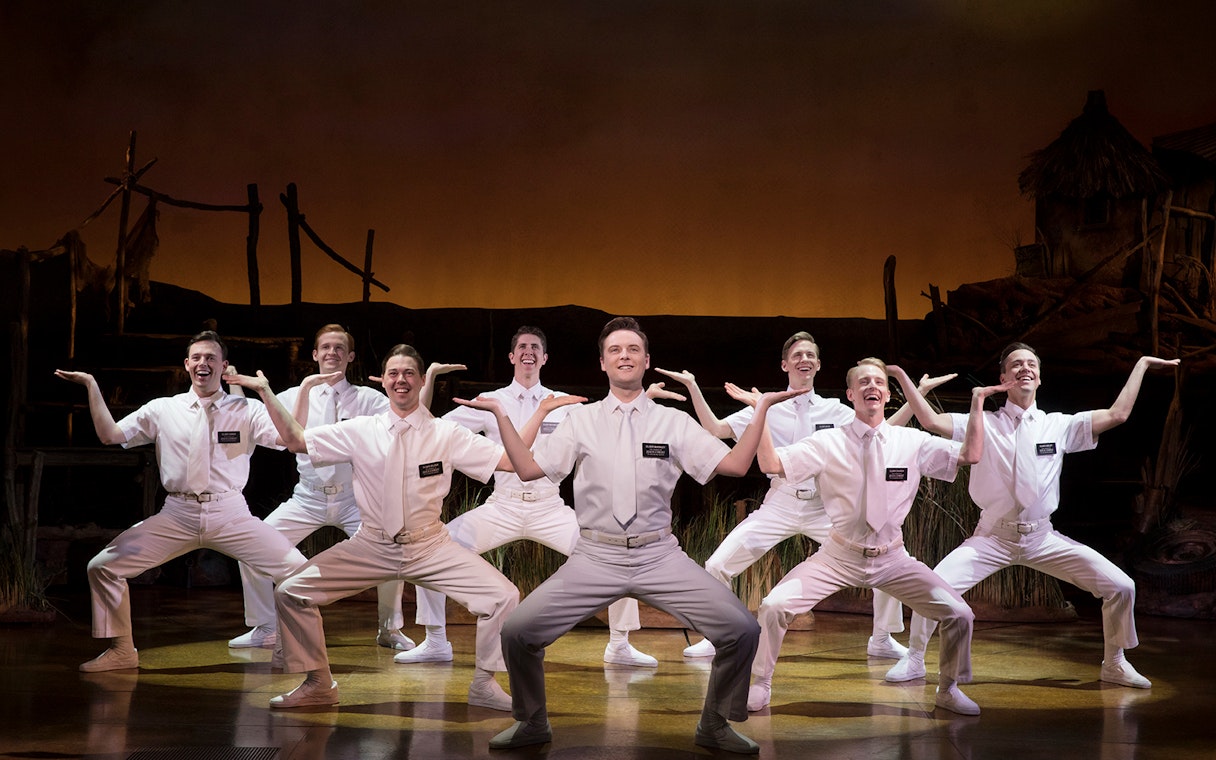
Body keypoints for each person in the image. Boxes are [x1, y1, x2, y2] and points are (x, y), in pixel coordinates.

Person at [461, 317, 803, 754]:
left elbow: (735, 465)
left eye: (633, 349)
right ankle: (532, 722)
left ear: (646, 361)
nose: (625, 356)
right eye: (615, 350)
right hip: (595, 556)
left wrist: (761, 412)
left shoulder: (671, 423)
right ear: (603, 363)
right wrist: (502, 415)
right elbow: (528, 470)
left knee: (741, 630)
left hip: (658, 554)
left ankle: (715, 724)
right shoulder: (580, 421)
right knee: (517, 632)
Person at [229, 344, 554, 711]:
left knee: (503, 596)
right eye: (394, 373)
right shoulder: (359, 430)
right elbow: (296, 441)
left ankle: (483, 683)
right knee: (291, 591)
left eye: (409, 373)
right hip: (372, 545)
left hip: (430, 546)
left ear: (420, 381)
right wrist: (266, 392)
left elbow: (512, 462)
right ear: (383, 381)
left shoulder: (445, 433)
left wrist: (506, 413)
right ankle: (318, 683)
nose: (401, 380)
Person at [884, 344, 1179, 690]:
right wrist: (905, 380)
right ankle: (915, 658)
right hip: (992, 537)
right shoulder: (984, 422)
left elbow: (1117, 415)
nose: (1024, 369)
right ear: (1003, 378)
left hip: (1042, 538)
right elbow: (931, 421)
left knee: (1121, 586)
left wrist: (1141, 364)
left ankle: (1114, 663)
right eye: (1016, 365)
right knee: (933, 586)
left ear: (1039, 378)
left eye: (1031, 365)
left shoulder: (1059, 425)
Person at [655, 331, 953, 661]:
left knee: (884, 555)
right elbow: (716, 429)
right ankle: (716, 637)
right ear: (785, 364)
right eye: (797, 355)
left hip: (824, 507)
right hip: (781, 504)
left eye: (810, 355)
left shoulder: (836, 410)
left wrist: (917, 396)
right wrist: (694, 386)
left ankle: (881, 638)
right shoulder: (767, 404)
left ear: (819, 365)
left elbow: (882, 426)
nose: (804, 359)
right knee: (717, 564)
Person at [746, 358, 1005, 716]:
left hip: (892, 559)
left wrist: (976, 403)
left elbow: (970, 454)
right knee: (774, 606)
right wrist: (762, 411)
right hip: (838, 555)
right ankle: (760, 683)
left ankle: (948, 688)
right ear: (851, 394)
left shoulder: (910, 441)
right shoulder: (827, 442)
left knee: (959, 614)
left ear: (886, 394)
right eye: (863, 382)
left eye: (879, 382)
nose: (872, 386)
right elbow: (771, 464)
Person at [55, 331, 308, 673]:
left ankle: (296, 654)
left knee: (299, 572)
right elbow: (110, 435)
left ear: (224, 366)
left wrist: (263, 390)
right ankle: (121, 650)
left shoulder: (246, 408)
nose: (204, 363)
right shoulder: (164, 408)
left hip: (230, 512)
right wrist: (91, 385)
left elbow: (290, 440)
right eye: (197, 358)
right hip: (178, 513)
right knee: (103, 566)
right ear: (187, 365)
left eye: (211, 358)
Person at [403, 326, 656, 668]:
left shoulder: (561, 403)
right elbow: (431, 428)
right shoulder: (491, 402)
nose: (528, 351)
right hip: (501, 507)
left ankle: (620, 643)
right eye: (522, 346)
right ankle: (435, 640)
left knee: (615, 550)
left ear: (544, 357)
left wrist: (644, 401)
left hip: (549, 507)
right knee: (430, 548)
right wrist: (429, 376)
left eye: (535, 347)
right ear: (512, 356)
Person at [227, 324, 413, 653]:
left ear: (350, 356)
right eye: (325, 347)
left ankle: (389, 628)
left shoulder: (368, 399)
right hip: (308, 498)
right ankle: (265, 626)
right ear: (315, 355)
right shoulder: (292, 396)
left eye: (339, 348)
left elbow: (403, 423)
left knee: (391, 548)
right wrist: (240, 389)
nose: (332, 353)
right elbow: (255, 421)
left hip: (355, 498)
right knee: (251, 547)